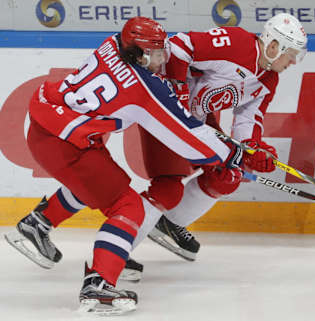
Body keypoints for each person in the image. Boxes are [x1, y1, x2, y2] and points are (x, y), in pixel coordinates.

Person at [4, 16, 242, 315]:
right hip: (65, 144)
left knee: (99, 183)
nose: (161, 59)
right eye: (156, 54)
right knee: (128, 206)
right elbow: (186, 135)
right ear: (140, 54)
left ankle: (37, 225)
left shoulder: (112, 44)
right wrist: (230, 154)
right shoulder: (144, 88)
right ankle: (99, 285)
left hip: (47, 128)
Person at [138, 13, 307, 261]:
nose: (292, 62)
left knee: (228, 172)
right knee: (168, 187)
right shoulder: (238, 43)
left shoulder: (269, 79)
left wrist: (252, 150)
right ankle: (119, 245)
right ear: (273, 46)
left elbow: (249, 120)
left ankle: (168, 224)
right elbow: (180, 45)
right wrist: (178, 92)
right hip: (163, 106)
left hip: (194, 120)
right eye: (291, 54)